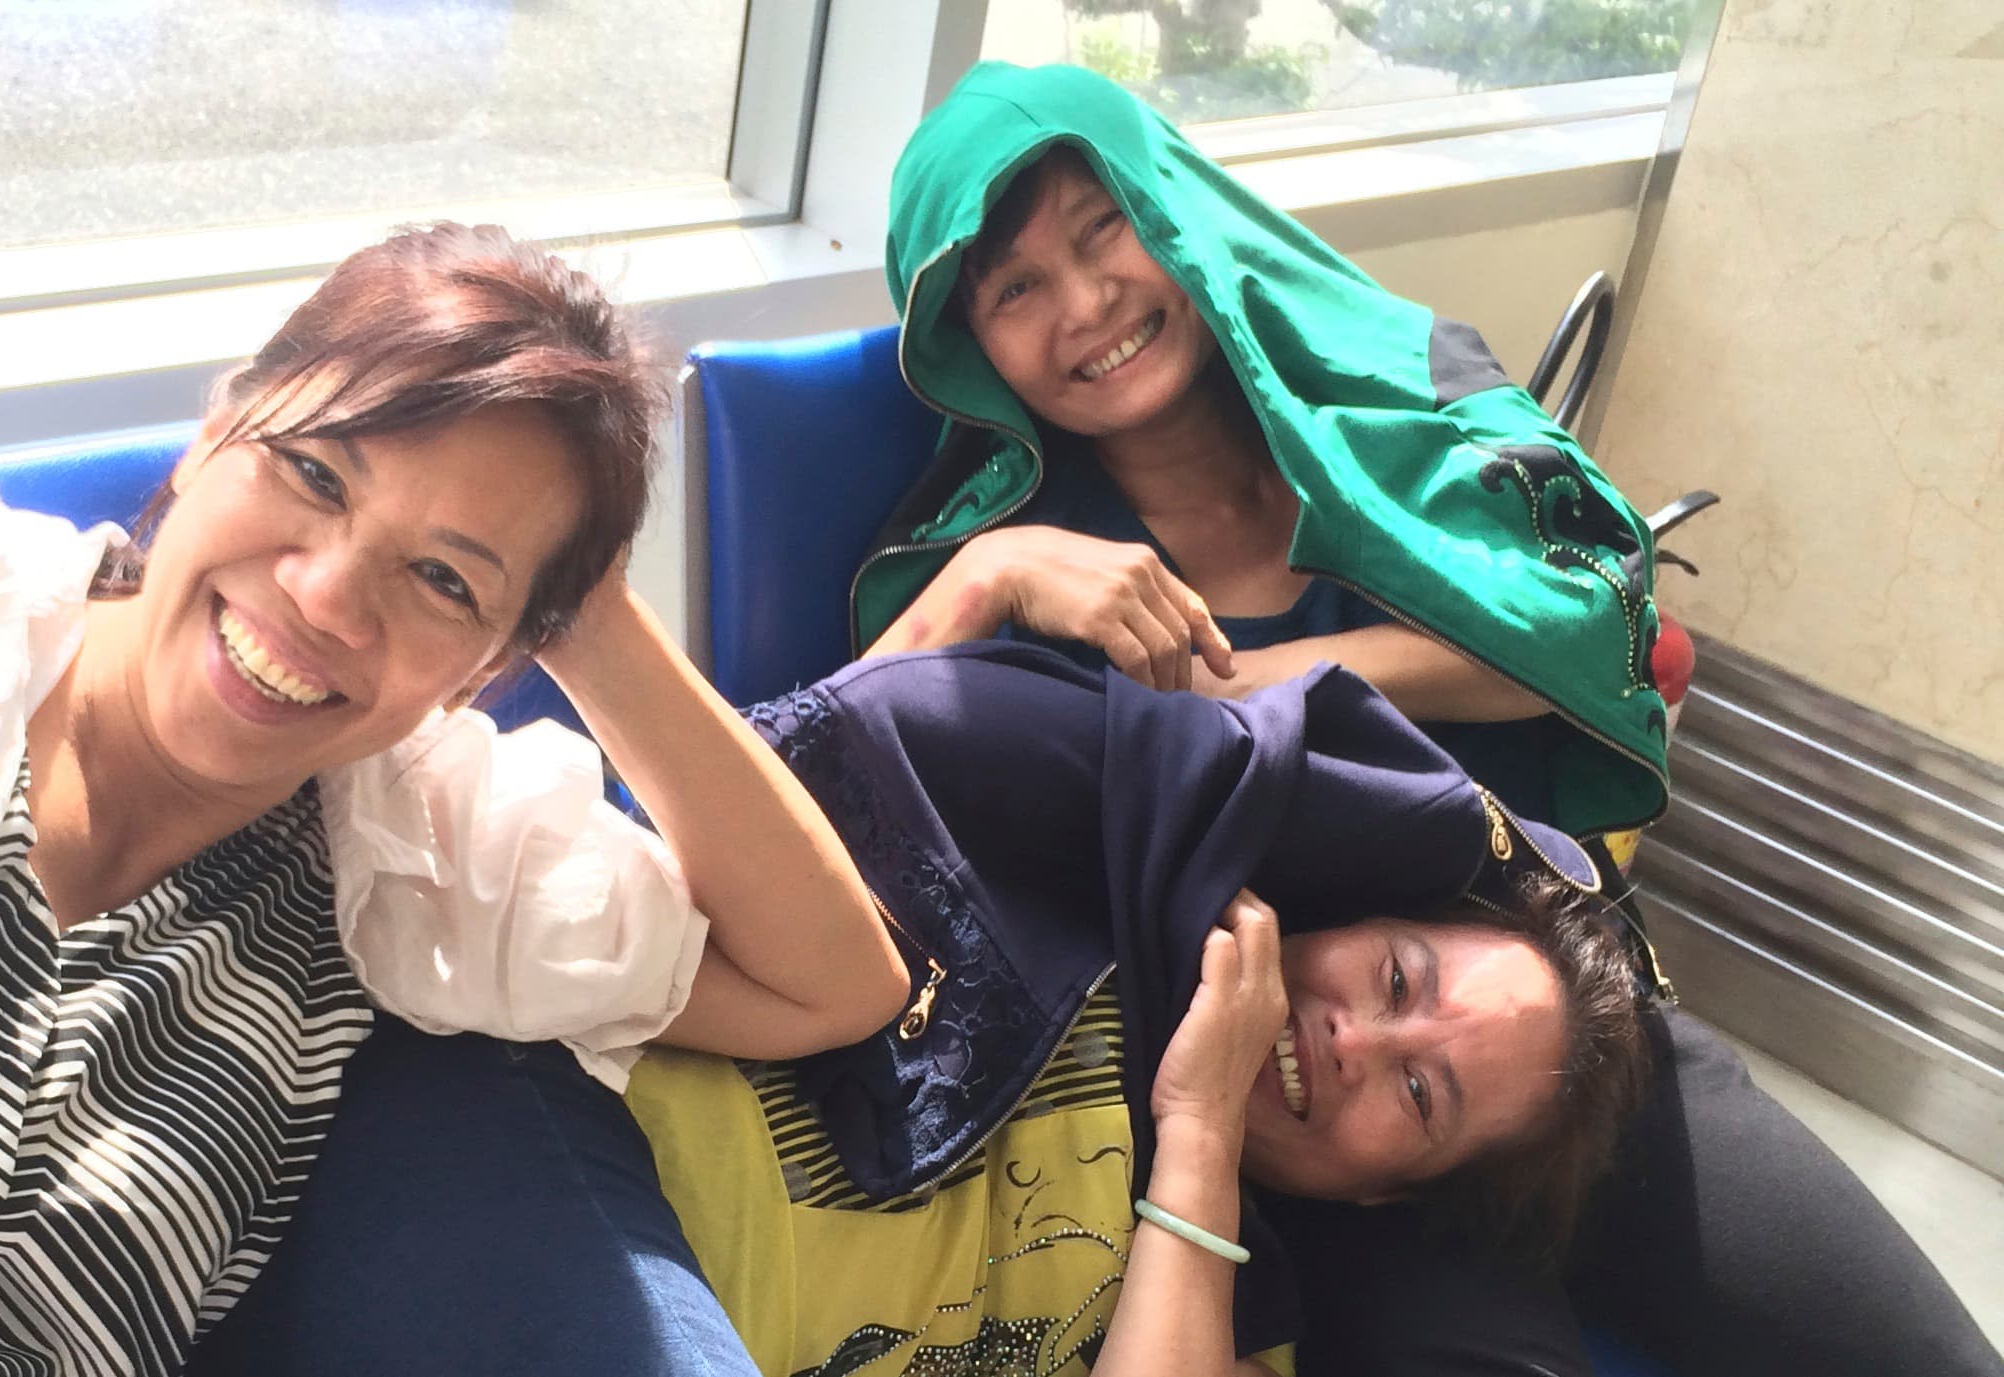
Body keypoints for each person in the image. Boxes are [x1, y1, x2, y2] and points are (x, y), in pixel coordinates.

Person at [0, 223, 908, 1377]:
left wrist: (584, 609)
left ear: (489, 668)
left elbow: (831, 982)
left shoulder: (408, 870)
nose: (324, 597)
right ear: (219, 424)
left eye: (444, 582)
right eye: (314, 472)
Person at [852, 60, 2002, 1377]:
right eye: (1013, 289)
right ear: (967, 342)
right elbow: (832, 768)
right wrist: (989, 576)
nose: (1086, 302)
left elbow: (1592, 629)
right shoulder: (1010, 555)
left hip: (1553, 1034)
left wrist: (1279, 682)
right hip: (1302, 1126)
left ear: (1172, 210)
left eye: (1099, 229)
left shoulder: (1403, 386)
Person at [626, 642, 1653, 1377]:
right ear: (1353, 915)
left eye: (1421, 1092)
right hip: (573, 1147)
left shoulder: (1240, 1324)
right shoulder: (1101, 888)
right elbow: (833, 778)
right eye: (1396, 979)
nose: (1353, 1041)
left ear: (1385, 1197)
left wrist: (1199, 1133)